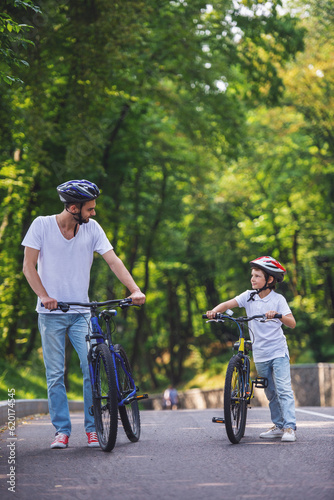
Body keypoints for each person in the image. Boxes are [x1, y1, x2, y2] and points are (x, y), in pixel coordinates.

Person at [22, 179, 146, 449]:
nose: (94, 213)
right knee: (55, 374)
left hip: (81, 313)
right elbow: (28, 267)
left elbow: (113, 260)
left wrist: (134, 289)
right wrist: (44, 296)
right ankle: (62, 432)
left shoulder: (92, 229)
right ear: (73, 208)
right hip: (50, 313)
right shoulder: (41, 225)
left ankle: (94, 428)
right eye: (90, 208)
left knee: (91, 369)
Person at [206, 256, 297, 442]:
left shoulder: (278, 299)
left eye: (257, 276)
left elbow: (292, 323)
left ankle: (289, 428)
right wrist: (215, 311)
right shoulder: (248, 295)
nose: (252, 279)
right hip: (261, 353)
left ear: (269, 279)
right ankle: (278, 426)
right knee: (270, 392)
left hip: (278, 352)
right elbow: (228, 304)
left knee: (283, 389)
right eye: (252, 275)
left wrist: (278, 315)